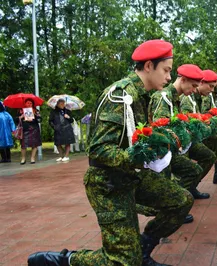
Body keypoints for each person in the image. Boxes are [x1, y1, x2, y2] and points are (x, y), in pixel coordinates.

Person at [28, 40, 193, 266]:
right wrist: (138, 157)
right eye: (165, 70)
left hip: (132, 176)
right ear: (148, 66)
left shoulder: (144, 96)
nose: (168, 77)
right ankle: (66, 260)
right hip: (108, 182)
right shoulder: (119, 96)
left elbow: (138, 138)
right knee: (122, 261)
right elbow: (98, 148)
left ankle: (143, 249)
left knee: (181, 201)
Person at [149, 64, 214, 200]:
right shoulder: (164, 97)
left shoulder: (175, 98)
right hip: (162, 152)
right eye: (194, 85)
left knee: (195, 169)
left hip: (172, 148)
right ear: (183, 80)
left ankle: (181, 198)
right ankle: (177, 203)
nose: (195, 90)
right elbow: (160, 129)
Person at [180, 69, 217, 185]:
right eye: (210, 86)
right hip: (188, 138)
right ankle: (187, 185)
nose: (212, 90)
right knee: (209, 153)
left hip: (197, 133)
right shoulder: (191, 98)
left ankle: (215, 175)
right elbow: (196, 117)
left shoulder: (201, 96)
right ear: (202, 83)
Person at [17, 99, 42, 164]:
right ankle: (23, 158)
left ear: (33, 104)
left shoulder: (36, 111)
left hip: (34, 129)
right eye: (28, 103)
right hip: (25, 130)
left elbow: (40, 120)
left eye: (31, 103)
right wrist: (21, 117)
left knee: (34, 144)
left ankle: (32, 158)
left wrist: (35, 116)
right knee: (23, 145)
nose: (29, 104)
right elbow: (15, 120)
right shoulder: (20, 111)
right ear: (25, 104)